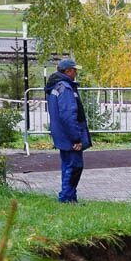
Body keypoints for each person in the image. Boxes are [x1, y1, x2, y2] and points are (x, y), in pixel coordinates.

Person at [44, 58, 91, 203]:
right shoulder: (65, 88)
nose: (76, 73)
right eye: (74, 70)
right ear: (68, 71)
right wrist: (76, 138)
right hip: (69, 136)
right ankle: (66, 198)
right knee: (75, 166)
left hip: (62, 135)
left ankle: (70, 198)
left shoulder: (56, 86)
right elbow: (68, 115)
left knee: (68, 166)